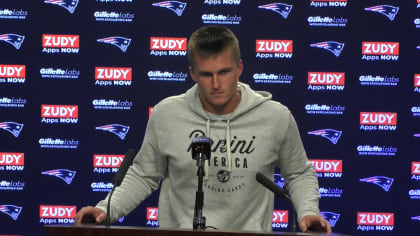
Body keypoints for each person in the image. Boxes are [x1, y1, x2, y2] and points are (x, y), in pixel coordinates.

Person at [75, 25, 331, 233]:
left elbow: (298, 173)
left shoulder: (275, 117)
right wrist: (106, 209)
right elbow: (144, 174)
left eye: (225, 72)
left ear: (240, 68)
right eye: (207, 74)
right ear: (192, 74)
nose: (216, 84)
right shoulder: (167, 114)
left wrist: (309, 212)